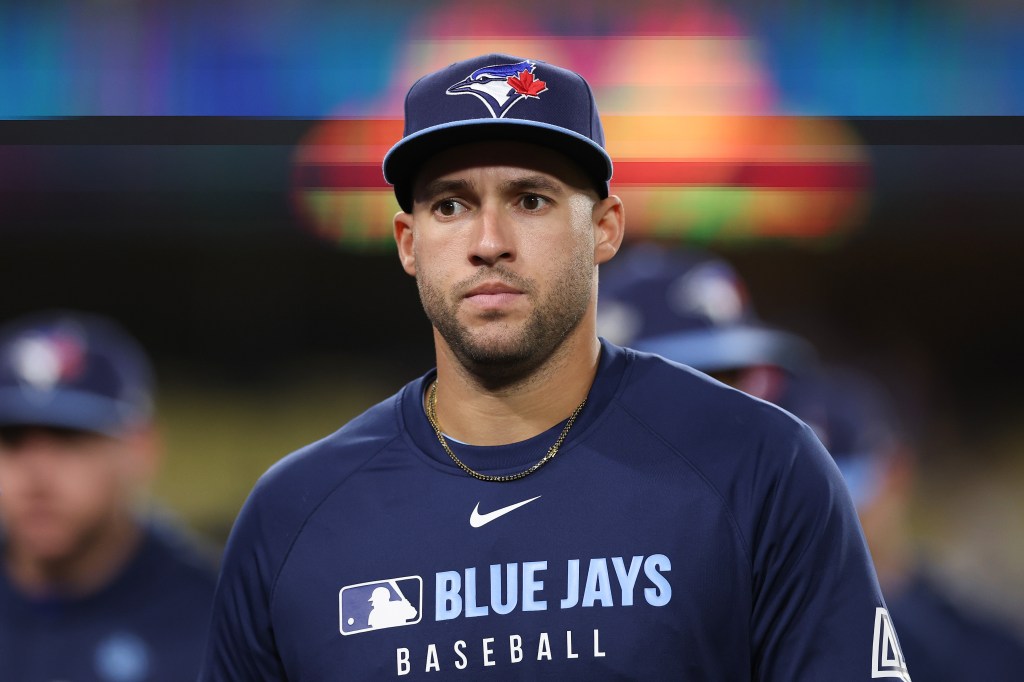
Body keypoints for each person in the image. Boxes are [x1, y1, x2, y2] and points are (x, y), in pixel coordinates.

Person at [200, 54, 908, 680]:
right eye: (451, 205)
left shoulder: (761, 465)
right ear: (408, 243)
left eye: (531, 200)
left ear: (604, 228)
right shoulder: (293, 514)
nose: (488, 241)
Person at [0, 310, 219, 682]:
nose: (36, 476)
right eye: (13, 439)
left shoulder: (215, 617)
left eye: (69, 439)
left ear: (140, 450)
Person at [778, 367, 1024, 681]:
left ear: (898, 472)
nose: (828, 513)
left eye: (847, 486)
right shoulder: (755, 642)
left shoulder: (985, 655)